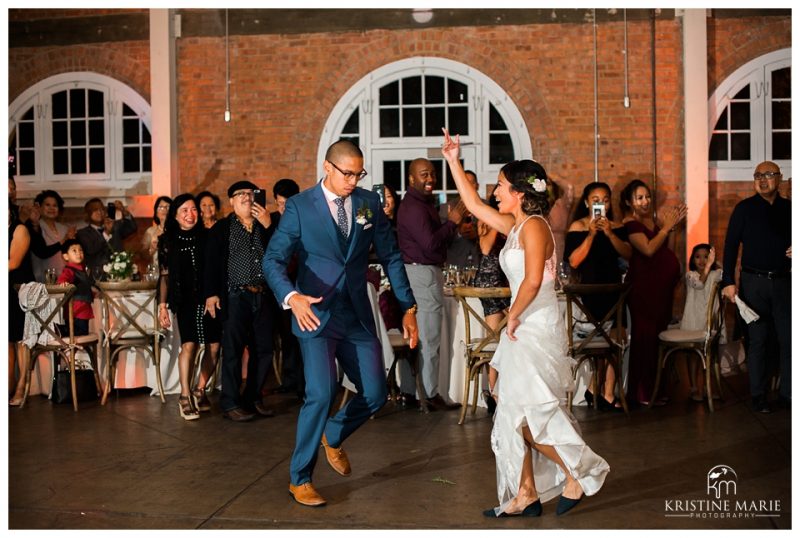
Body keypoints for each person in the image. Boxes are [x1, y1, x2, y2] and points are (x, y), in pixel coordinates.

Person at [442, 129, 609, 517]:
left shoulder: (534, 227)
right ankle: (526, 491)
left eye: (500, 185)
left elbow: (533, 279)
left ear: (519, 192)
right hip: (522, 321)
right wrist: (452, 159)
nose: (494, 191)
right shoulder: (513, 225)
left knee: (531, 410)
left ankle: (578, 471)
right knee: (509, 406)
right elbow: (471, 205)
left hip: (533, 322)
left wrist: (510, 318)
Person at [263, 140, 418, 507]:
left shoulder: (368, 204)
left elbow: (392, 256)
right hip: (314, 311)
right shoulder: (301, 207)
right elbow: (272, 260)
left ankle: (333, 434)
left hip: (355, 313)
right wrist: (292, 296)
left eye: (359, 173)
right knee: (321, 392)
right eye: (347, 173)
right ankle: (299, 479)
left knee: (376, 394)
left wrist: (408, 306)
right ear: (328, 167)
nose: (353, 180)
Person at [721, 161, 791, 413]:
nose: (763, 179)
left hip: (785, 282)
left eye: (769, 175)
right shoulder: (744, 209)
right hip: (753, 283)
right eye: (758, 175)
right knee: (758, 341)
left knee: (788, 340)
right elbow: (730, 247)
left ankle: (788, 395)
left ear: (779, 178)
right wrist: (728, 281)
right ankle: (758, 395)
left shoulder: (790, 209)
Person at [396, 157, 466, 409]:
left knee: (417, 336)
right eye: (424, 174)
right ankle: (430, 394)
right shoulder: (414, 208)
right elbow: (430, 244)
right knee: (429, 335)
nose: (430, 179)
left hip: (420, 272)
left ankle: (411, 393)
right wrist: (452, 223)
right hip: (422, 274)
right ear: (411, 179)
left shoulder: (420, 204)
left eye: (433, 174)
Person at [204, 180, 275, 422]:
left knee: (264, 348)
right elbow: (211, 264)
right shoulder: (222, 229)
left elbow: (279, 255)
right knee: (233, 350)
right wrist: (211, 293)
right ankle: (230, 402)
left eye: (250, 193)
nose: (246, 197)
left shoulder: (266, 224)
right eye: (240, 194)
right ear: (232, 201)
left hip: (263, 295)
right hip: (235, 296)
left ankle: (253, 398)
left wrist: (268, 227)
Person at [564, 182, 631, 410]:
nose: (600, 203)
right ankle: (595, 389)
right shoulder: (578, 226)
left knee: (616, 339)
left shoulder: (618, 226)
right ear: (586, 203)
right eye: (595, 200)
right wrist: (591, 235)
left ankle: (607, 392)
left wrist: (610, 233)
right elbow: (573, 261)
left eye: (605, 199)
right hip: (587, 296)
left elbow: (628, 254)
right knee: (600, 340)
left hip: (613, 292)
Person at [620, 179, 686, 406]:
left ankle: (657, 389)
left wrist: (672, 228)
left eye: (647, 196)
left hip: (660, 291)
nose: (645, 201)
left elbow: (665, 251)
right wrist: (666, 228)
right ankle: (641, 393)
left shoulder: (651, 222)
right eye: (639, 197)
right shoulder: (630, 224)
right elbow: (648, 250)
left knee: (657, 339)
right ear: (629, 202)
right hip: (644, 291)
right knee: (644, 340)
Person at [157, 194, 222, 420]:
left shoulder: (208, 237)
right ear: (175, 215)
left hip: (209, 299)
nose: (190, 214)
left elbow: (215, 268)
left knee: (214, 347)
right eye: (184, 210)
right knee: (189, 346)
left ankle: (199, 389)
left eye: (193, 209)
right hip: (184, 301)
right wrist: (162, 306)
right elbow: (164, 277)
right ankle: (184, 395)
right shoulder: (168, 241)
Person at [268, 178, 304, 398]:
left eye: (287, 204)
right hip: (278, 287)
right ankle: (289, 380)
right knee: (284, 337)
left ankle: (301, 385)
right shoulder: (271, 220)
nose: (283, 208)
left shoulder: (302, 219)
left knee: (299, 337)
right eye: (279, 203)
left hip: (298, 284)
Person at [680, 243, 722, 401]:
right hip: (692, 322)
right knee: (694, 357)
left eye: (706, 257)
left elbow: (727, 275)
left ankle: (707, 387)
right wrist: (709, 266)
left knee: (709, 357)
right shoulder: (691, 276)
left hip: (708, 322)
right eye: (698, 257)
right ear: (692, 259)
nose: (703, 260)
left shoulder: (715, 274)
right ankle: (693, 388)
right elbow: (699, 284)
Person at [9, 201, 34, 407]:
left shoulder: (19, 229)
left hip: (18, 291)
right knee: (6, 342)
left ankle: (22, 385)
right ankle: (8, 384)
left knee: (20, 340)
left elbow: (13, 262)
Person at [76, 198, 138, 276]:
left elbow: (132, 227)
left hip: (119, 274)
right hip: (97, 277)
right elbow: (90, 249)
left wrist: (124, 211)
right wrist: (106, 233)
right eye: (95, 210)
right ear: (88, 214)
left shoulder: (114, 227)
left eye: (101, 209)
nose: (99, 212)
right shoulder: (83, 233)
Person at [27, 190, 77, 283]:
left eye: (55, 205)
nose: (51, 208)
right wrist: (64, 240)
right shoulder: (35, 226)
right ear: (39, 207)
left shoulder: (64, 228)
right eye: (47, 205)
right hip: (43, 278)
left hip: (65, 279)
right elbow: (42, 252)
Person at [55, 239, 94, 337]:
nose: (78, 253)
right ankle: (61, 333)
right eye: (74, 250)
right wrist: (63, 283)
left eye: (80, 250)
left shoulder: (83, 269)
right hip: (76, 311)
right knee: (78, 335)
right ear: (66, 256)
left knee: (82, 334)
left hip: (84, 309)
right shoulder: (70, 270)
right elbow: (63, 278)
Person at [141, 196, 172, 266]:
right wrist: (152, 249)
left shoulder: (178, 231)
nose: (164, 210)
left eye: (168, 207)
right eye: (160, 207)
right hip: (156, 271)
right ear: (156, 212)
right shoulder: (150, 231)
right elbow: (142, 255)